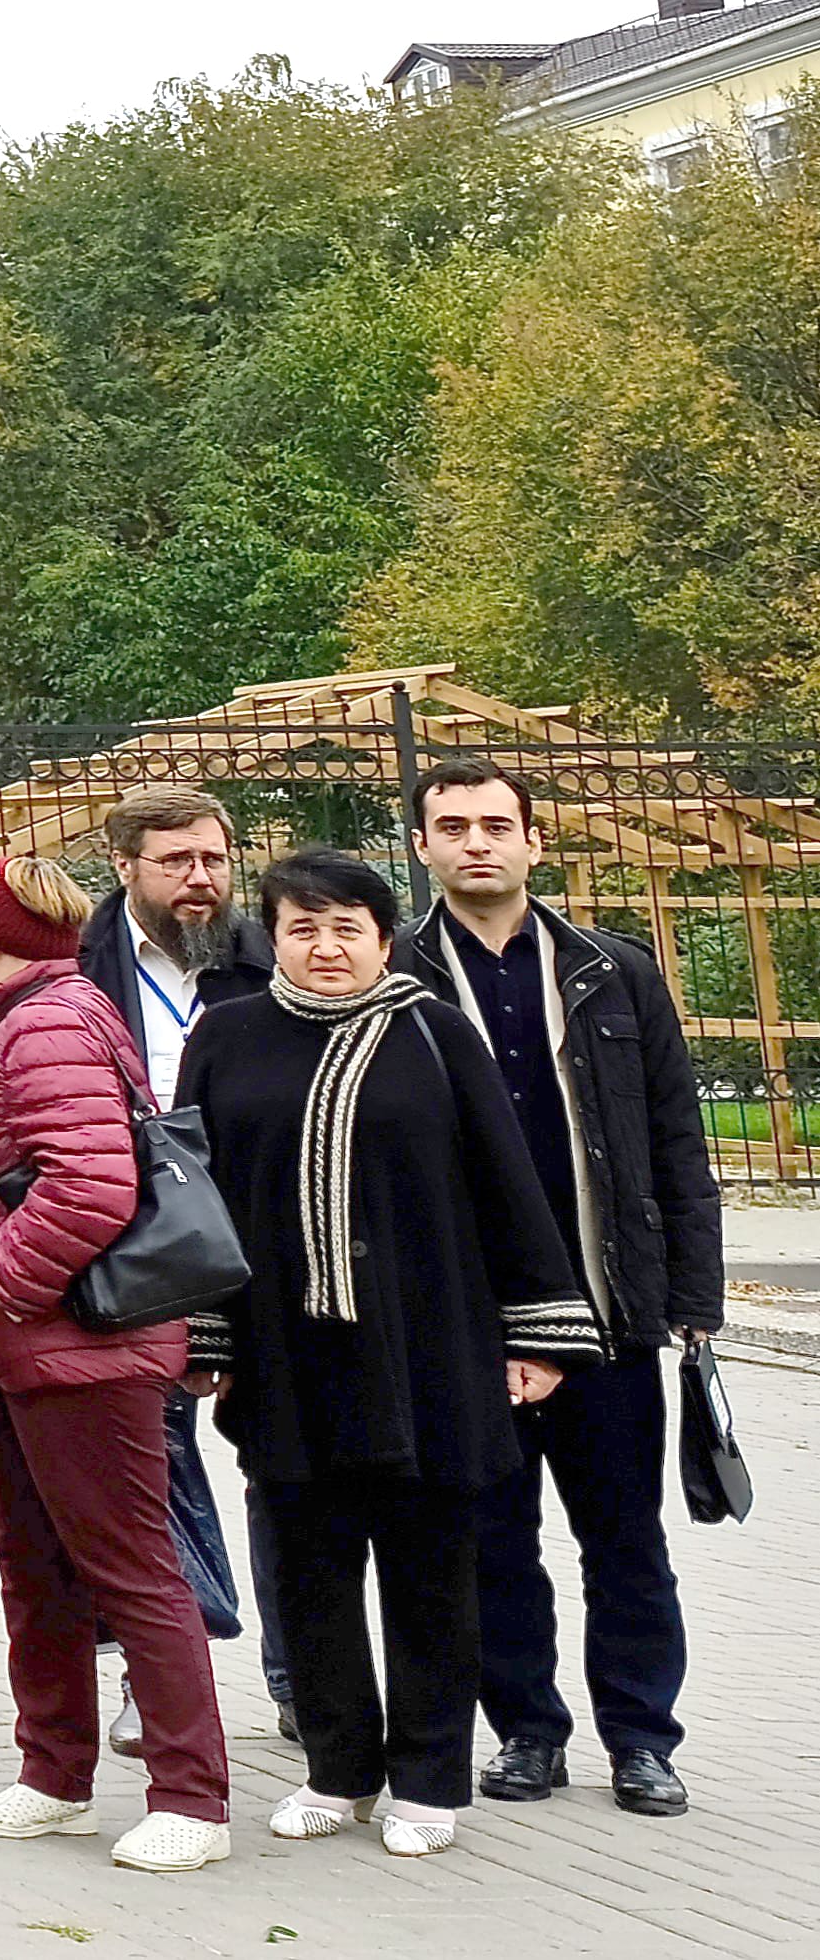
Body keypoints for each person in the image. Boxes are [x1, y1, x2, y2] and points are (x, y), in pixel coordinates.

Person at [185, 847, 602, 1857]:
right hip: (283, 1346)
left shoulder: (433, 1032)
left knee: (428, 1570)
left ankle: (426, 1775)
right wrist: (202, 1334)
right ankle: (337, 1769)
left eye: (346, 929)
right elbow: (188, 1189)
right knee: (308, 1570)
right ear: (271, 935)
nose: (324, 947)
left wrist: (538, 1332)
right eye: (301, 927)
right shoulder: (227, 1034)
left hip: (428, 1345)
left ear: (380, 937)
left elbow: (507, 1184)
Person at [404, 760, 718, 1819]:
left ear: (534, 842)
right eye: (452, 826)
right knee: (490, 1539)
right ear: (421, 848)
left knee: (623, 1537)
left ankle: (639, 1738)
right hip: (471, 1323)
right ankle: (525, 1732)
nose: (475, 842)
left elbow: (673, 1137)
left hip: (604, 1309)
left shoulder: (610, 970)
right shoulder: (398, 976)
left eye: (496, 824)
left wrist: (692, 1293)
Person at [0, 853, 228, 1873]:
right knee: (35, 1565)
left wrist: (8, 1287)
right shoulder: (36, 1013)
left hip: (75, 1350)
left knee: (128, 1567)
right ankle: (52, 1774)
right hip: (15, 1351)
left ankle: (190, 1794)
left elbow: (90, 1185)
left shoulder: (48, 1021)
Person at [75, 783, 278, 1735]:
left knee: (286, 1462)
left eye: (213, 859)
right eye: (175, 861)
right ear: (123, 867)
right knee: (144, 1457)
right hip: (138, 1234)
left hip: (268, 1231)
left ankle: (298, 1678)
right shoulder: (79, 966)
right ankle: (153, 1667)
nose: (200, 880)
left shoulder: (267, 956)